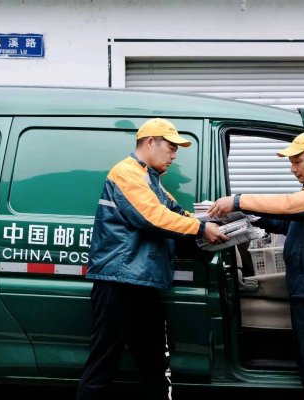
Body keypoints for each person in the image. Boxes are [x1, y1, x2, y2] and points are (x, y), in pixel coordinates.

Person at [76, 118, 228, 400]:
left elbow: (176, 213)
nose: (174, 155)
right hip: (118, 282)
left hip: (140, 281)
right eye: (171, 148)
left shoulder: (150, 180)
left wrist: (216, 222)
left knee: (154, 361)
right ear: (149, 143)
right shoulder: (125, 173)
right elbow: (151, 217)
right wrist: (201, 229)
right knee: (103, 363)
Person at [207, 132, 304, 400]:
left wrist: (238, 201)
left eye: (297, 161)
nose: (292, 169)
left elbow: (288, 205)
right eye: (291, 163)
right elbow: (288, 221)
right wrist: (251, 217)